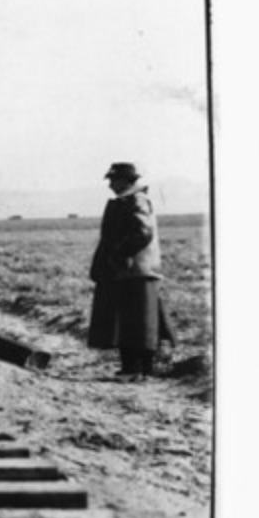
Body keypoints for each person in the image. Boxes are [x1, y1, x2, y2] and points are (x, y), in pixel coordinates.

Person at [88, 162, 173, 380]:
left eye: (113, 180)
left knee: (136, 323)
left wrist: (118, 253)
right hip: (134, 271)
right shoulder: (132, 200)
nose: (110, 185)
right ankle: (137, 369)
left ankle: (137, 369)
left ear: (127, 181)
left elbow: (142, 233)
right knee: (135, 322)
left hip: (136, 270)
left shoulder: (137, 200)